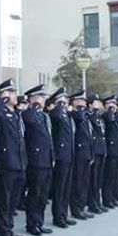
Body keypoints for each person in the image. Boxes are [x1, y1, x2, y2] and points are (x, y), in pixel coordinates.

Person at [0, 79, 27, 236]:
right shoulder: (0, 112)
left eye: (14, 92)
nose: (15, 95)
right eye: (10, 92)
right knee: (3, 201)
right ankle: (3, 231)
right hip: (6, 163)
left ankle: (9, 228)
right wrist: (2, 100)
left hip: (19, 162)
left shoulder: (16, 113)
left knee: (13, 200)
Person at [21, 84, 54, 236]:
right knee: (35, 193)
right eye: (40, 97)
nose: (43, 100)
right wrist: (34, 105)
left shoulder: (43, 115)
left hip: (46, 160)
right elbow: (29, 119)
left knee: (43, 195)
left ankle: (39, 222)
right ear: (33, 98)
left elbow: (48, 139)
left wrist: (52, 157)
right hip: (36, 161)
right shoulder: (29, 113)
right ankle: (32, 224)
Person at [48, 88, 76, 228]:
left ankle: (64, 214)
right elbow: (56, 116)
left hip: (69, 154)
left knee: (66, 187)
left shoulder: (66, 114)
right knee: (59, 188)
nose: (66, 101)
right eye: (63, 99)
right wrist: (59, 105)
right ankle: (58, 217)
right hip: (61, 156)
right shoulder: (55, 113)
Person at [69, 91, 95, 221]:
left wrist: (91, 154)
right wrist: (79, 108)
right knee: (78, 182)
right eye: (80, 101)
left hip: (86, 153)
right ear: (74, 102)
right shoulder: (74, 114)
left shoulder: (84, 115)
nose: (84, 103)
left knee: (84, 182)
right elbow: (78, 118)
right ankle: (76, 208)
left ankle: (82, 206)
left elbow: (89, 136)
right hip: (78, 153)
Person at [86, 95, 108, 214]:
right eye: (96, 102)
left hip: (101, 149)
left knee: (99, 178)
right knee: (93, 179)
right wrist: (94, 111)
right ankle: (92, 204)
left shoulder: (98, 116)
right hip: (94, 150)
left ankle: (97, 202)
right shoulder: (90, 115)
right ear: (90, 104)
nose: (98, 104)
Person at [102, 95, 118, 209]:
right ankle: (107, 199)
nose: (114, 106)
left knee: (115, 176)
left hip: (117, 150)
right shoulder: (106, 115)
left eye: (114, 104)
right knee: (109, 177)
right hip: (111, 151)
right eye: (111, 104)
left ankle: (112, 198)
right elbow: (110, 119)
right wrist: (110, 109)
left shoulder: (115, 116)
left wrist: (116, 111)